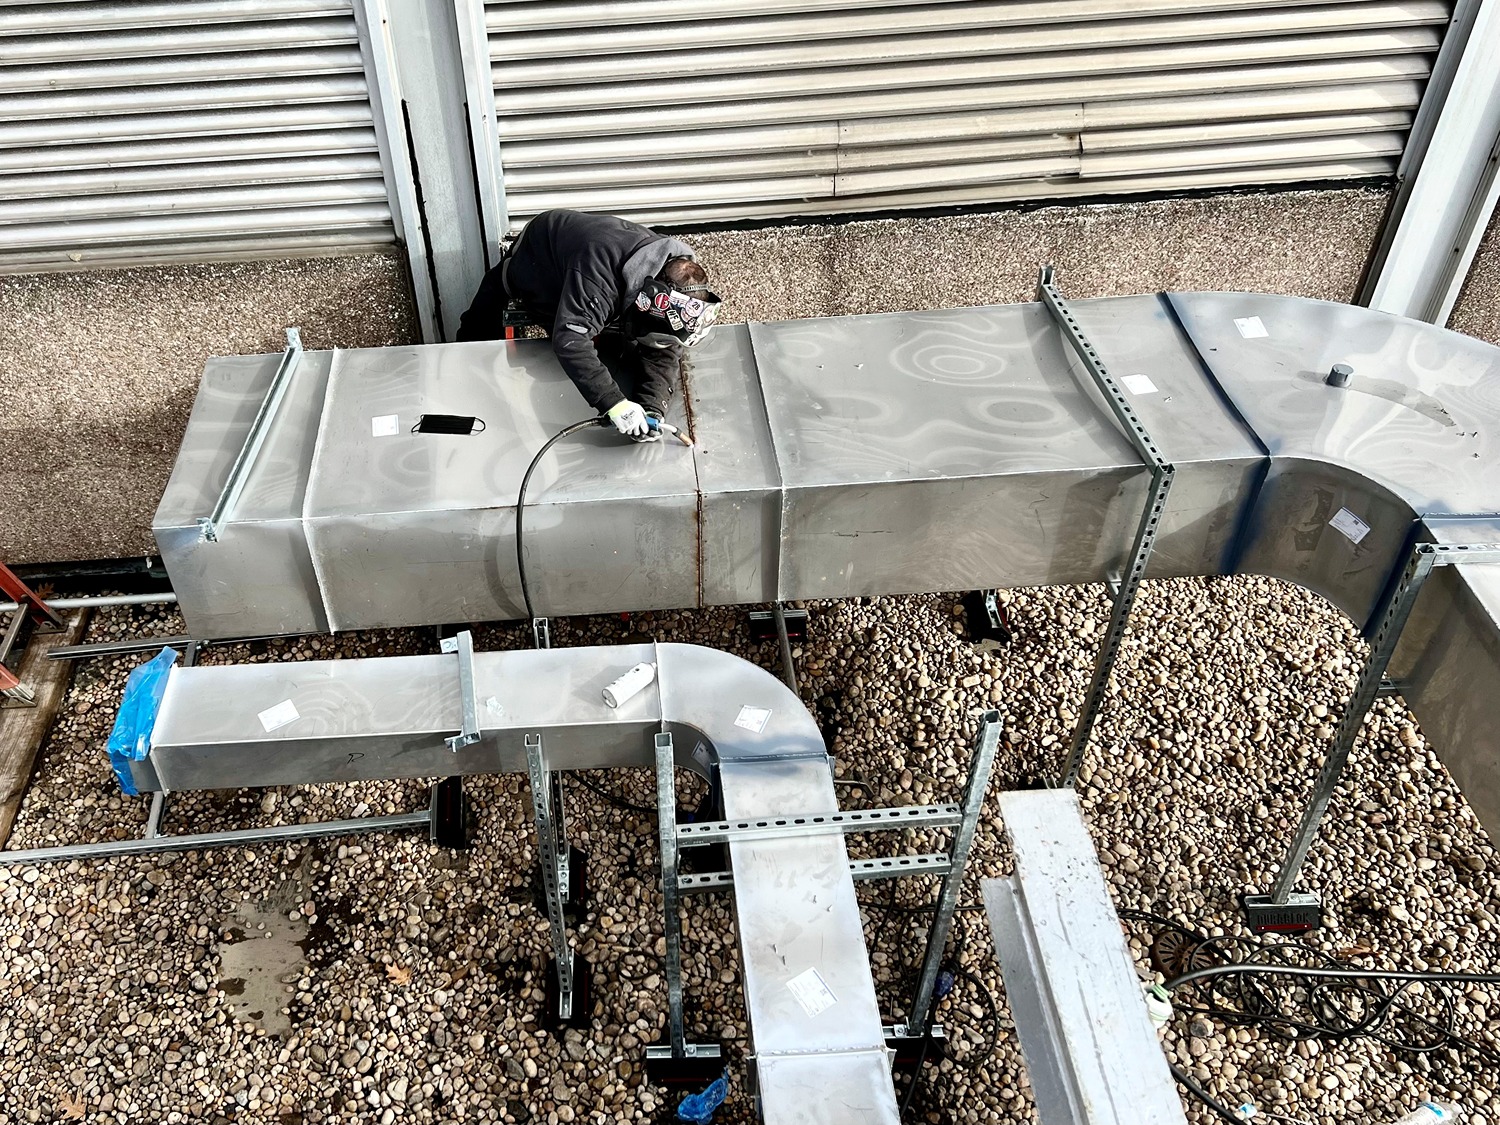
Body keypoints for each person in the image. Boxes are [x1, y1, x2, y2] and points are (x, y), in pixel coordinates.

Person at [456, 210, 721, 442]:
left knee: (624, 342)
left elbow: (663, 348)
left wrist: (652, 407)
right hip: (540, 250)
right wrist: (614, 403)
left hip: (588, 258)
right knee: (484, 326)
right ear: (647, 301)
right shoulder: (599, 280)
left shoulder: (669, 271)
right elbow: (570, 341)